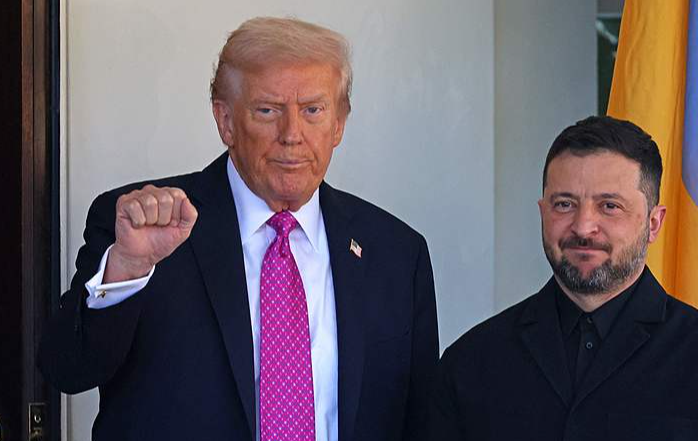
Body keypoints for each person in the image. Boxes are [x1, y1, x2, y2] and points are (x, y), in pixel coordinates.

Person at [38, 17, 438, 441]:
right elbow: (67, 369)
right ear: (225, 120)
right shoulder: (145, 228)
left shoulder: (396, 253)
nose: (292, 135)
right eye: (268, 110)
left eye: (313, 111)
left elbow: (421, 421)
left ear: (339, 123)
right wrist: (127, 268)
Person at [428, 116, 698, 440]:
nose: (583, 226)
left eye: (609, 206)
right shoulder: (470, 363)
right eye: (564, 204)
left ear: (653, 223)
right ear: (542, 211)